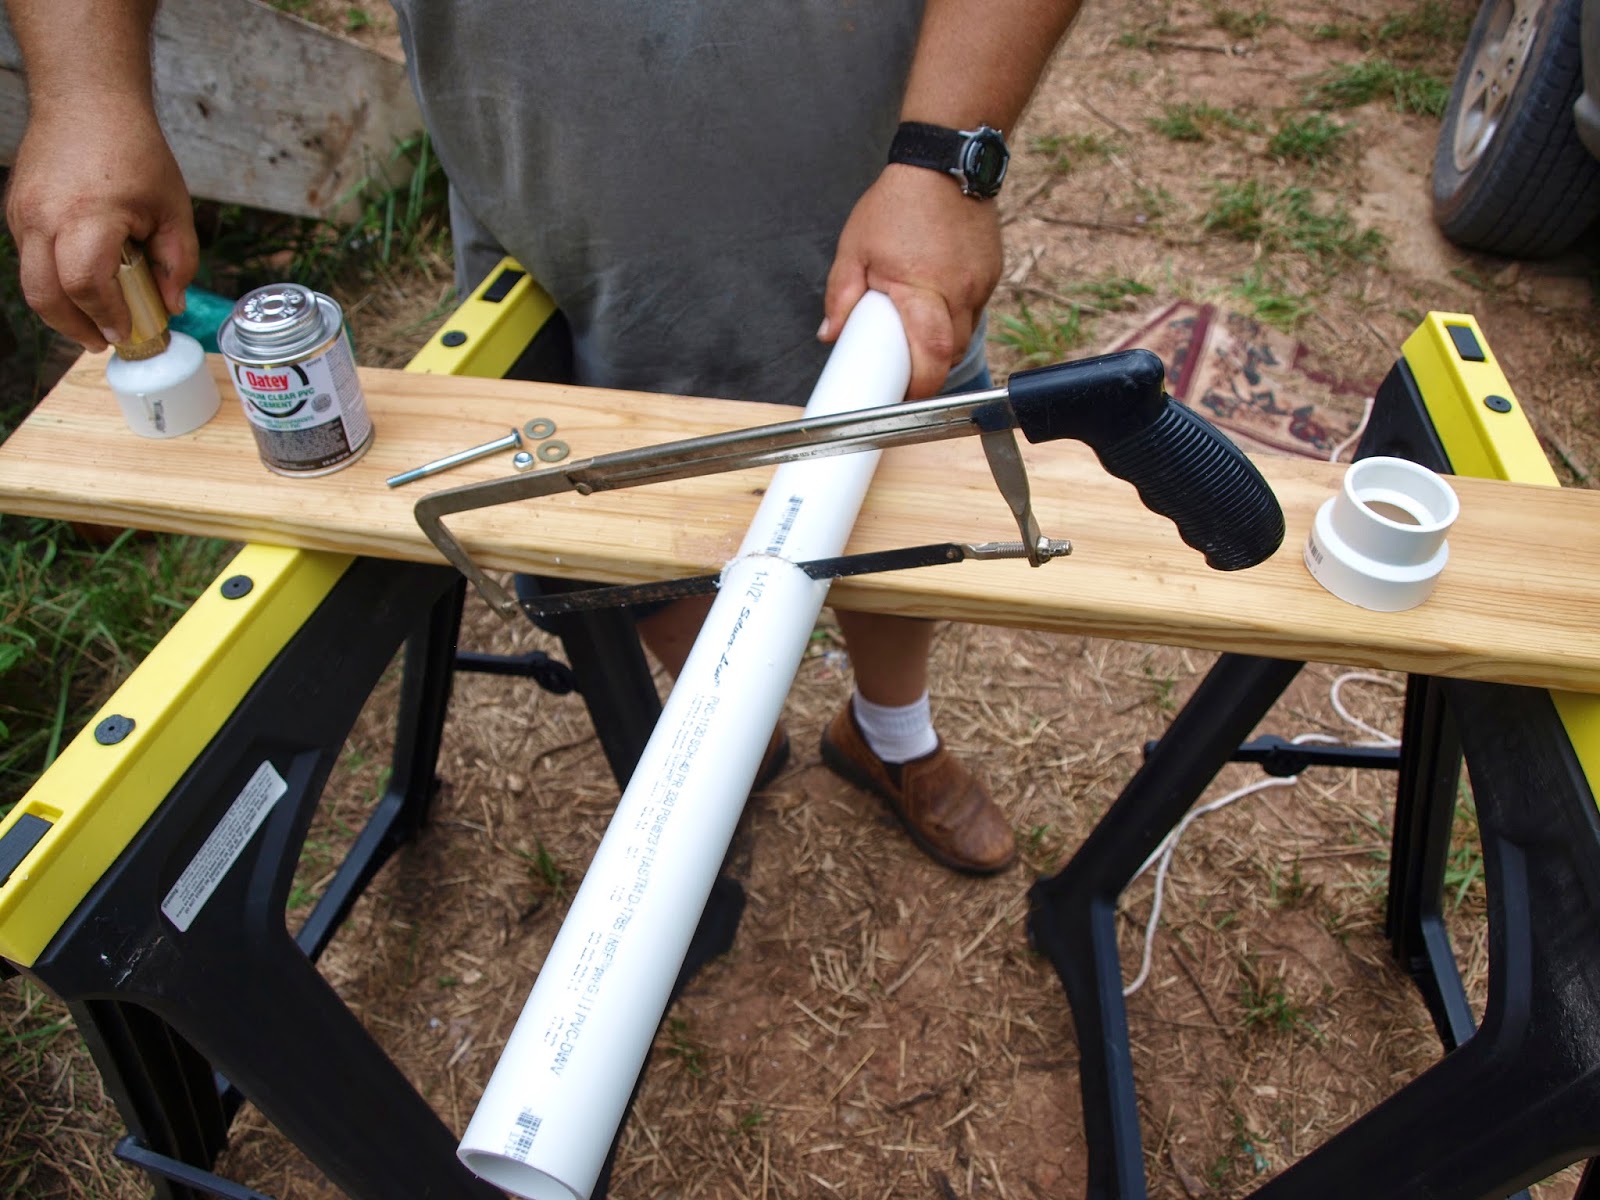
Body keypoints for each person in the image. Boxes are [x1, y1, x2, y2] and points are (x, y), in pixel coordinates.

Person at [4, 0, 1082, 873]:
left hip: (862, 184)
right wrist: (88, 95)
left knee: (894, 498)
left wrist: (949, 160)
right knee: (616, 508)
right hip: (553, 196)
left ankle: (889, 735)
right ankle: (734, 730)